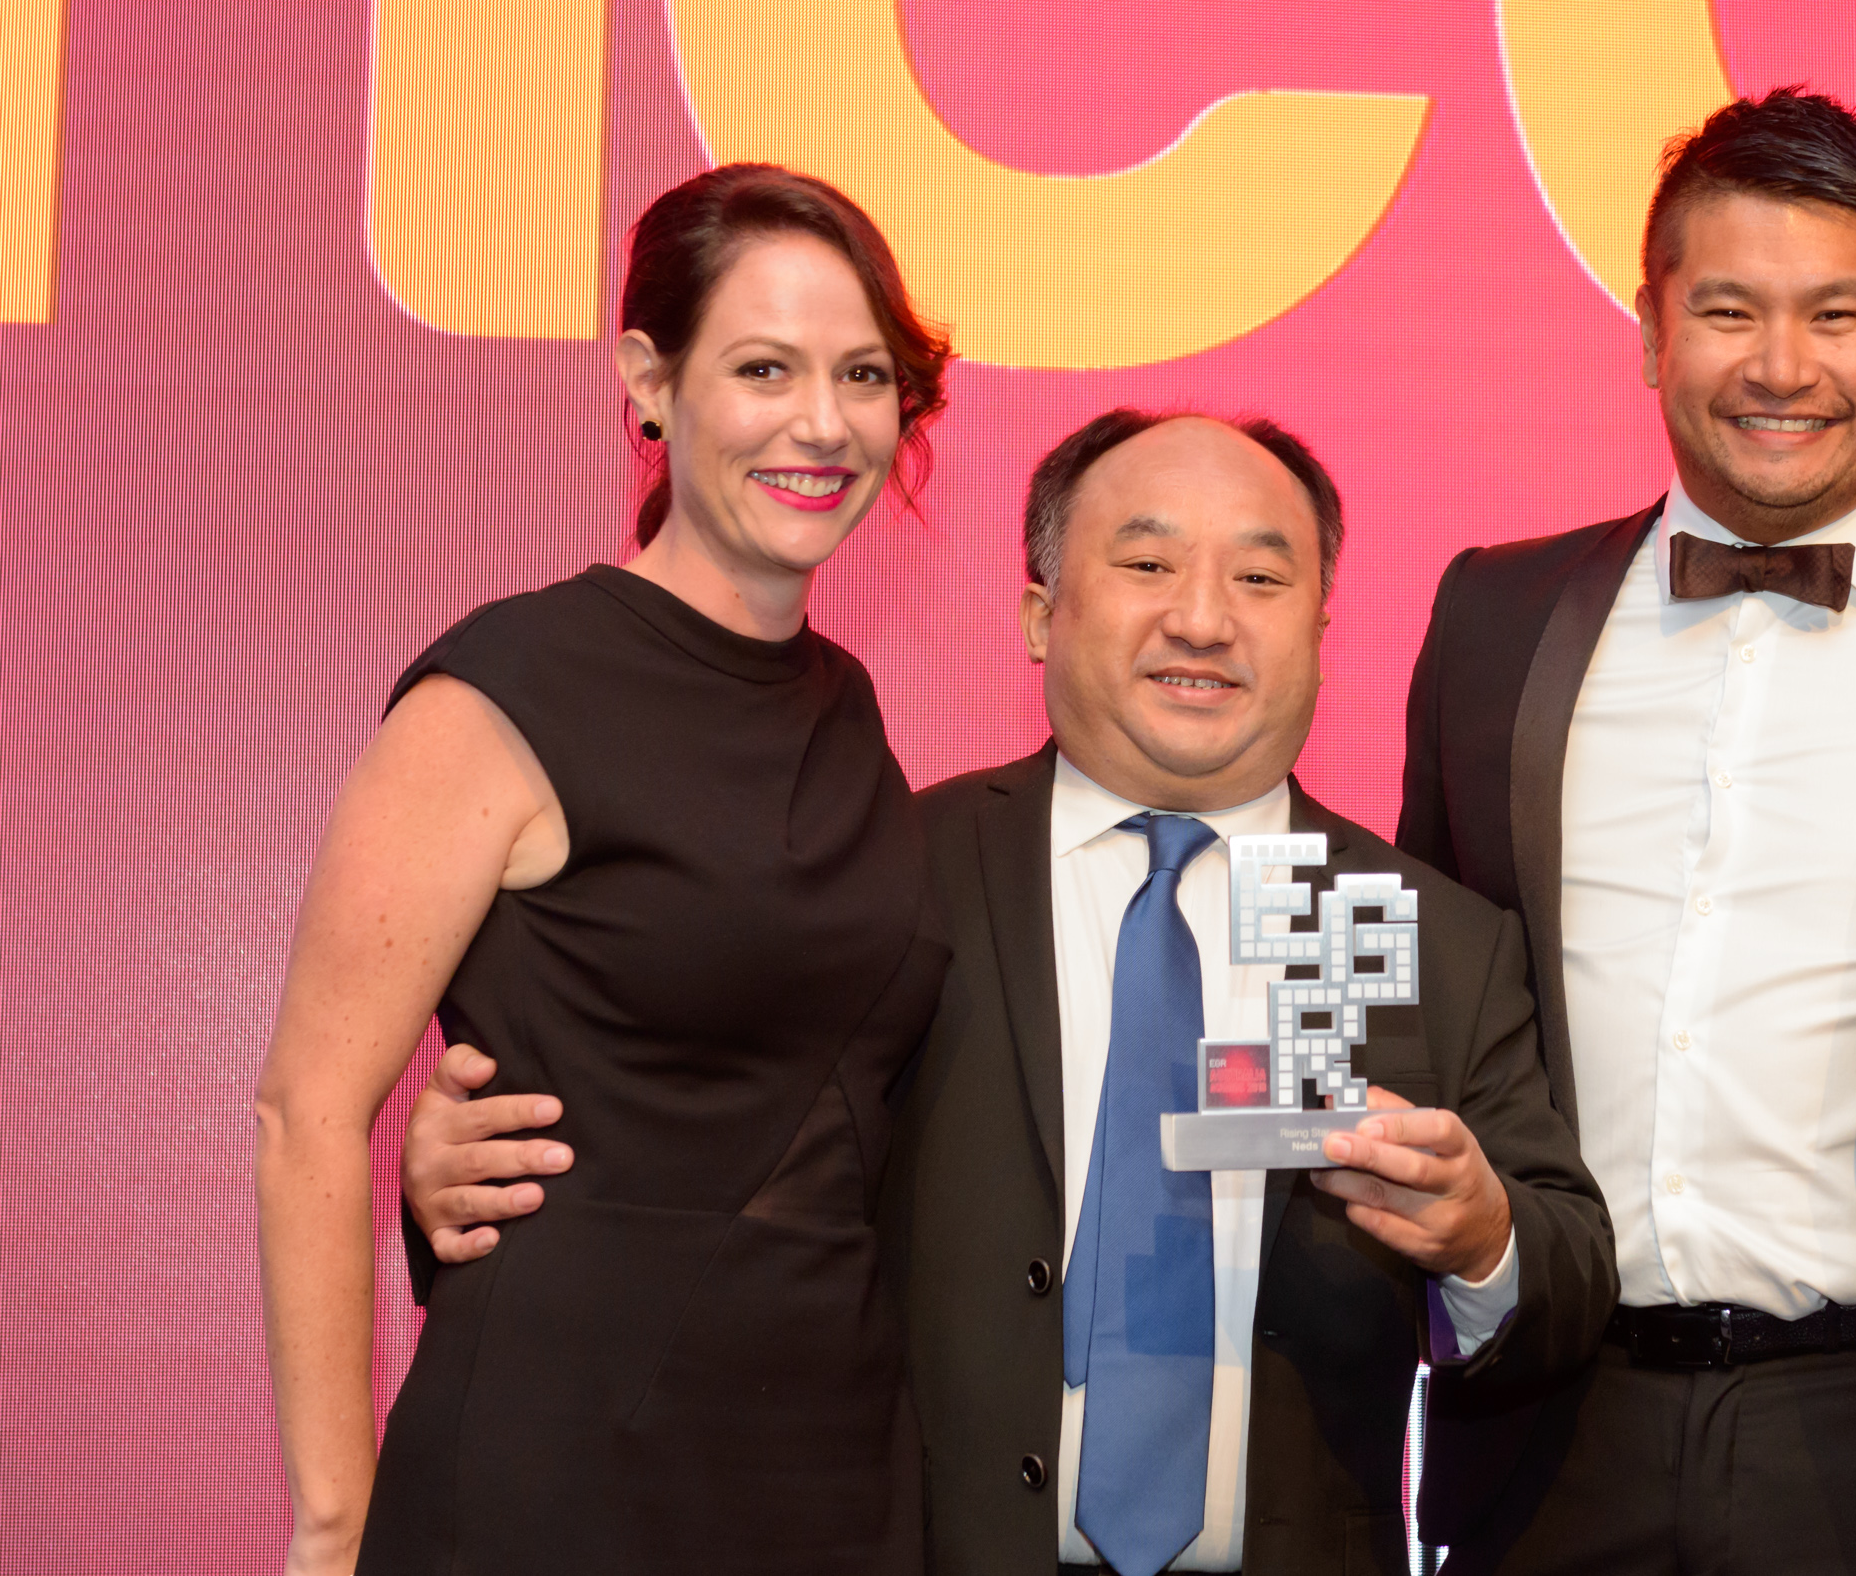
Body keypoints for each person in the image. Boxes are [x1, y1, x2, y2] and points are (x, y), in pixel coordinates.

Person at [407, 409, 1618, 1574]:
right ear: (1042, 615)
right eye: (1147, 563)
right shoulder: (880, 878)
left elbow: (1568, 1278)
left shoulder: (1427, 930)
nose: (1203, 619)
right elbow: (705, 1157)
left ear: (1319, 625)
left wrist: (1484, 1238)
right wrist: (483, 1175)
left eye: (1260, 579)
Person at [1395, 87, 1856, 1576]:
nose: (1781, 366)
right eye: (1727, 310)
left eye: (1836, 313)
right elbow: (1428, 1009)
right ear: (1652, 328)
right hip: (1550, 1432)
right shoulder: (1494, 620)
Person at [251, 164, 956, 1576]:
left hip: (830, 1470)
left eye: (864, 374)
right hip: (566, 1464)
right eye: (764, 367)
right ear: (650, 380)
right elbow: (306, 1112)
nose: (824, 422)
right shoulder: (506, 691)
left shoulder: (848, 708)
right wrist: (334, 1524)